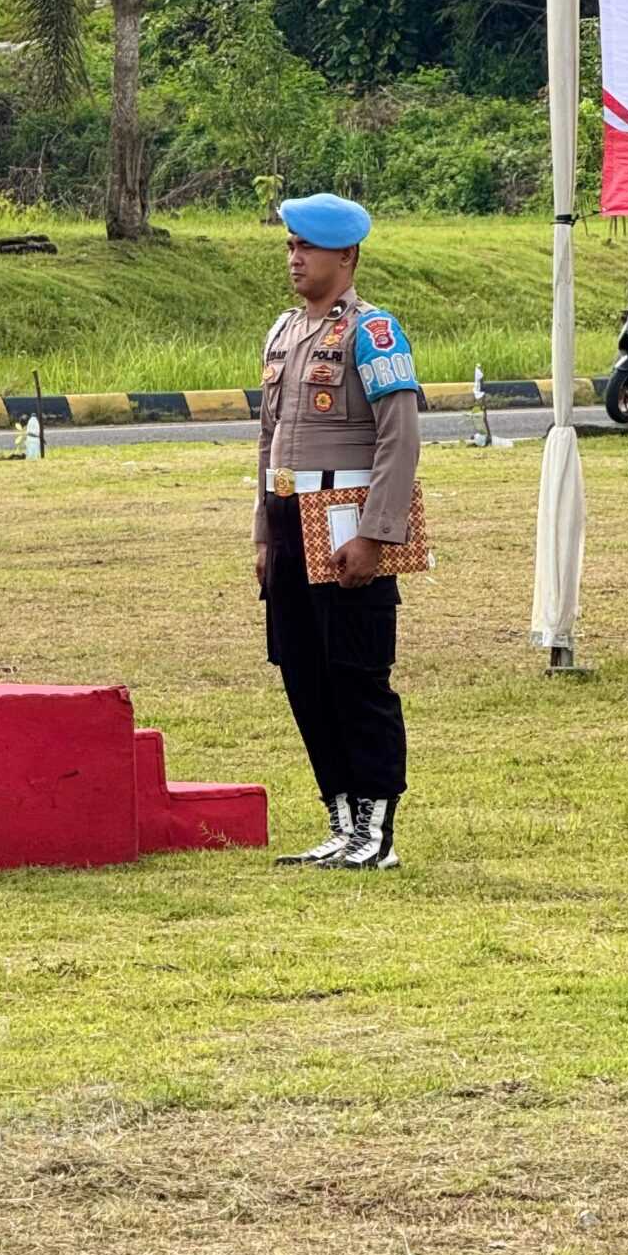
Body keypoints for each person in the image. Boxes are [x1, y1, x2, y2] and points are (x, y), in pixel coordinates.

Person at [254, 195, 421, 872]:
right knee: (304, 673)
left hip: (348, 518)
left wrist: (379, 533)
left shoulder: (373, 332)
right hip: (290, 519)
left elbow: (399, 437)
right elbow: (266, 440)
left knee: (357, 675)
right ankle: (341, 817)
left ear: (345, 255)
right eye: (290, 246)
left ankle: (377, 827)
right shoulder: (284, 332)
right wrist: (263, 536)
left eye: (308, 247)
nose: (295, 258)